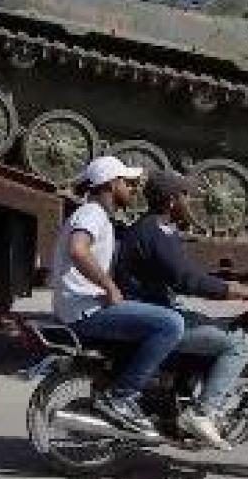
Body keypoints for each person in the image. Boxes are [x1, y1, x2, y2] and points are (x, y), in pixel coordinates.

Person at [114, 169, 248, 451]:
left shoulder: (157, 229)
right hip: (154, 317)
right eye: (186, 195)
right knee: (239, 342)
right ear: (172, 201)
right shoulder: (154, 233)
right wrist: (247, 291)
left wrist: (237, 287)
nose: (191, 202)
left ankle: (184, 397)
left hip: (158, 309)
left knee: (222, 326)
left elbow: (187, 274)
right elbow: (189, 281)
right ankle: (203, 413)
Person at [51, 155, 185, 442]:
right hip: (86, 311)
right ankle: (121, 397)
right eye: (128, 182)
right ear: (111, 184)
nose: (134, 189)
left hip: (85, 306)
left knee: (162, 311)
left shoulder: (100, 216)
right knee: (171, 325)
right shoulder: (92, 213)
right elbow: (78, 250)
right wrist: (109, 286)